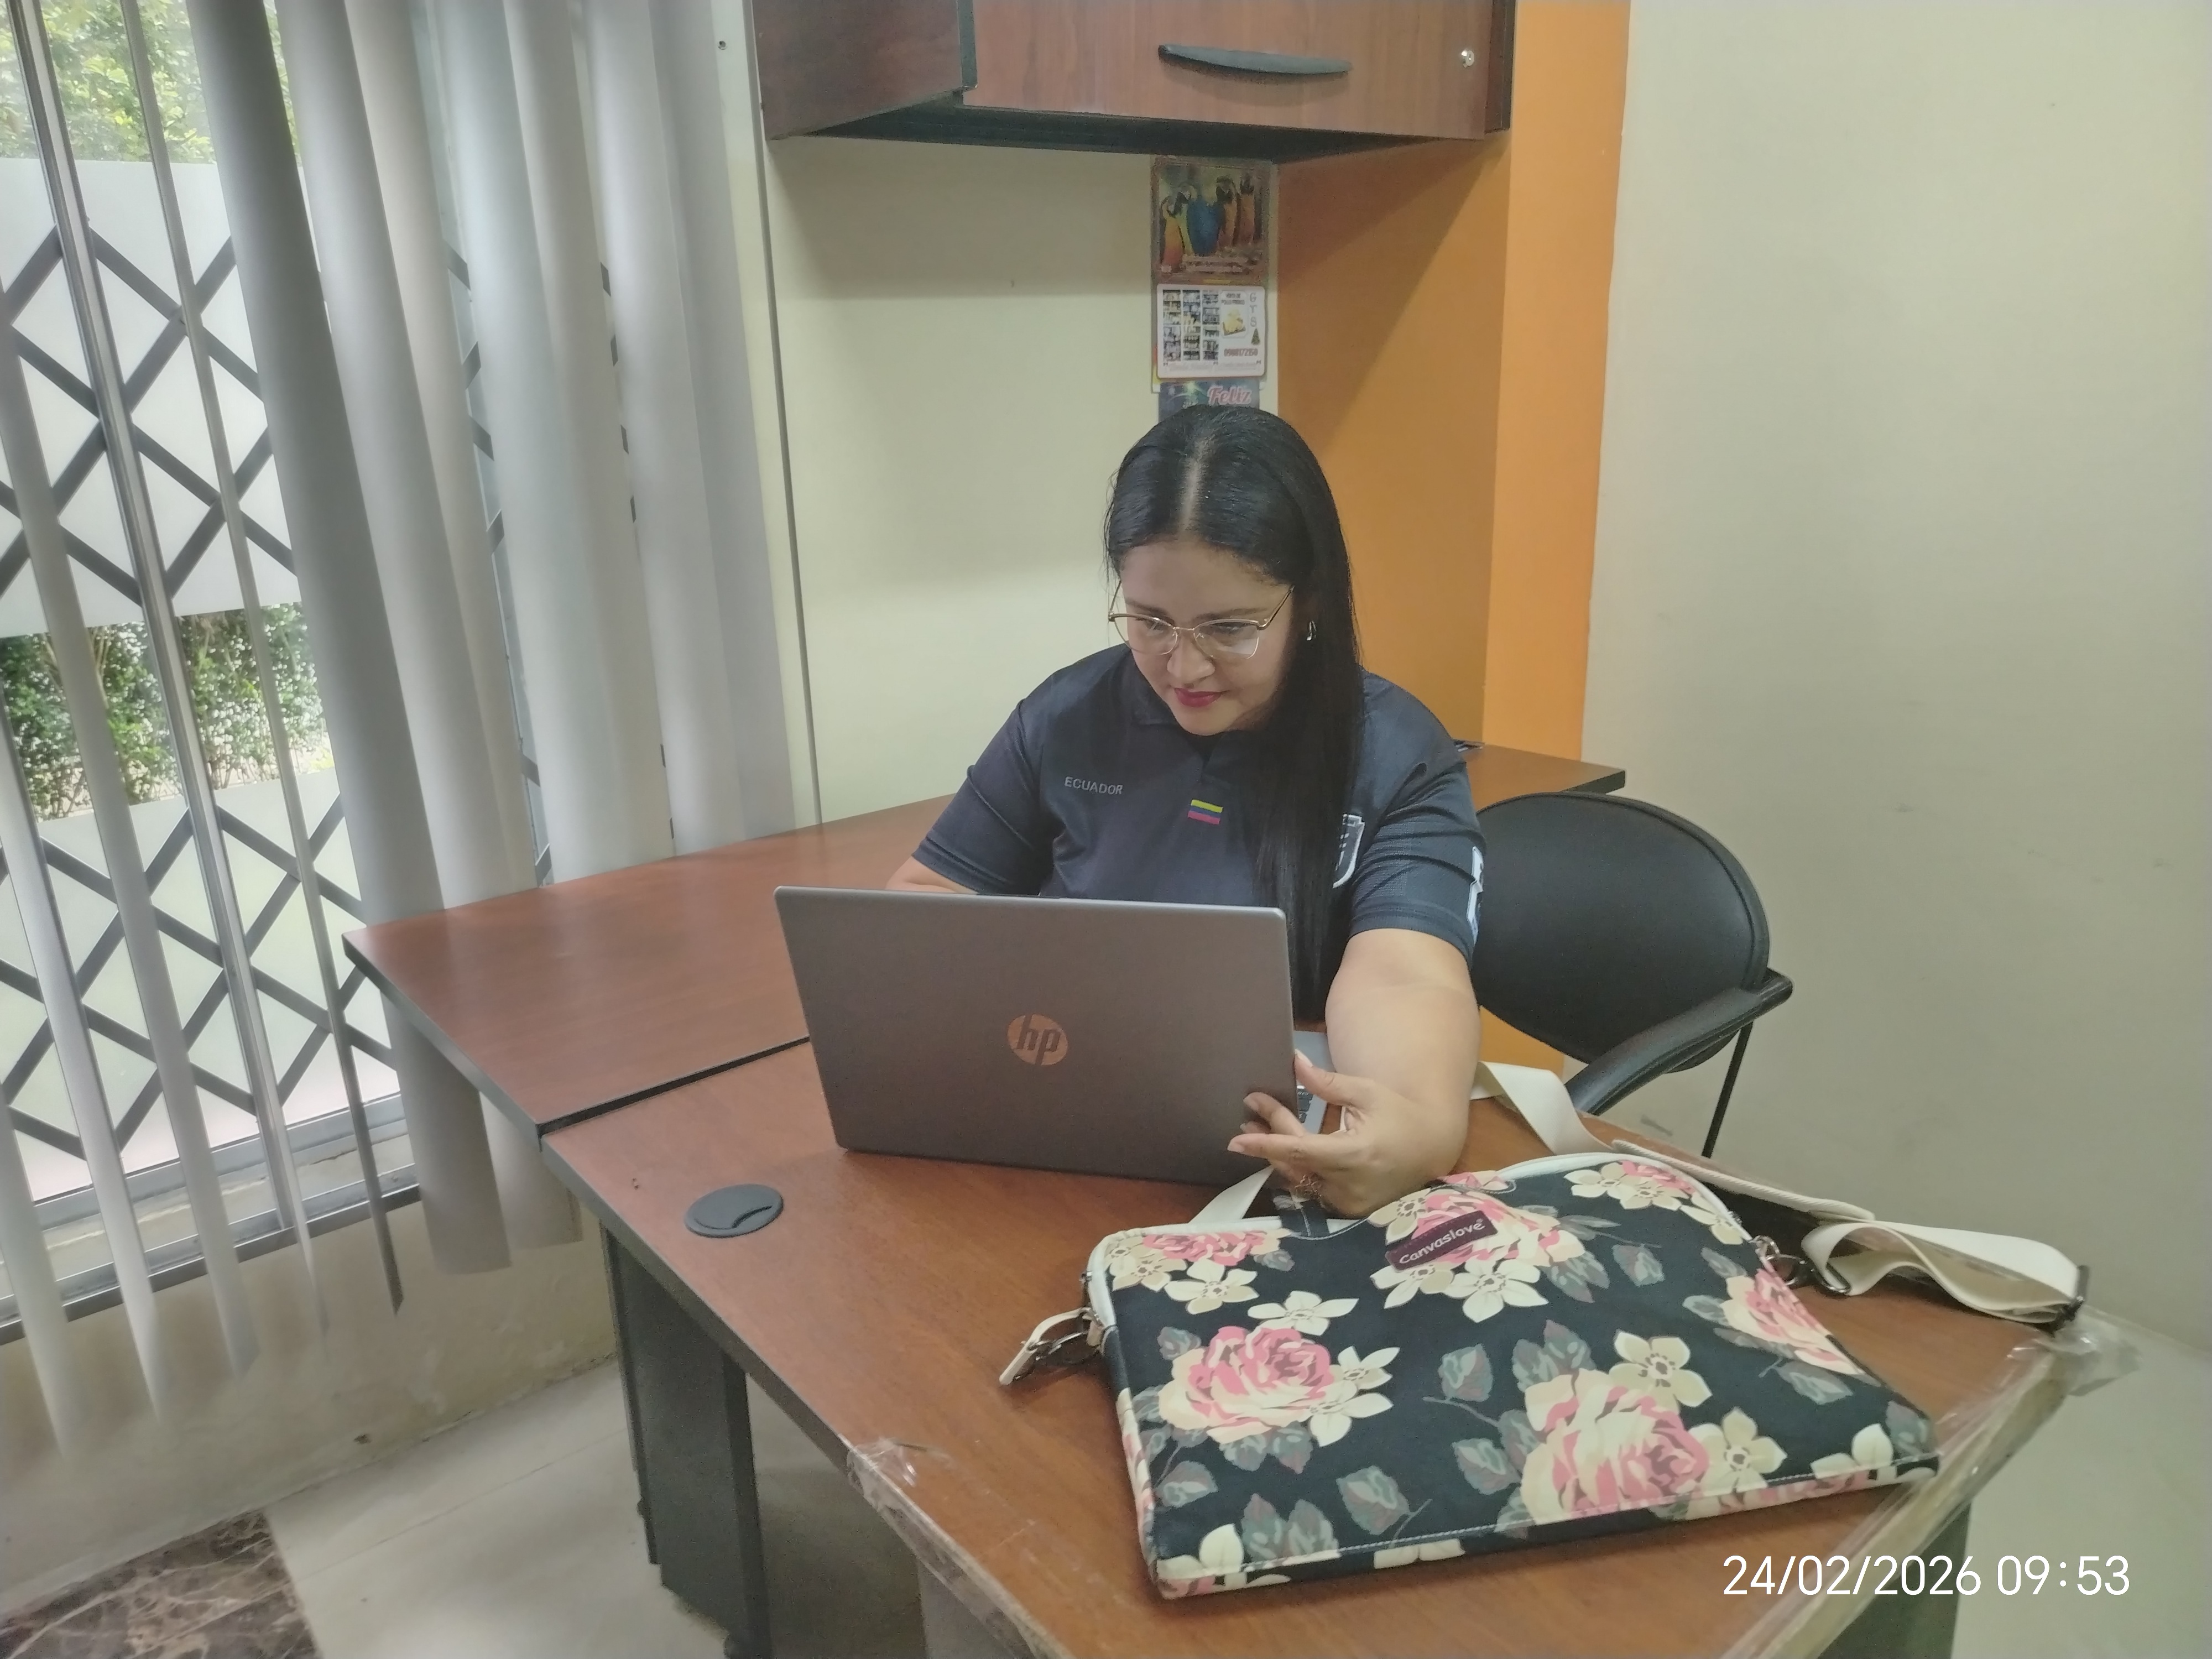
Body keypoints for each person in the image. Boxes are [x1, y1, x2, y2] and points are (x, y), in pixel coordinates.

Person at [889, 406, 1481, 1216]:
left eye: (1229, 628)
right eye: (1150, 621)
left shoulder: (1394, 752)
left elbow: (1402, 972)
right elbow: (925, 908)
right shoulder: (1068, 717)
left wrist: (1410, 1124)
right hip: (1058, 1137)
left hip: (1262, 1166)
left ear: (1308, 602)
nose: (1184, 666)